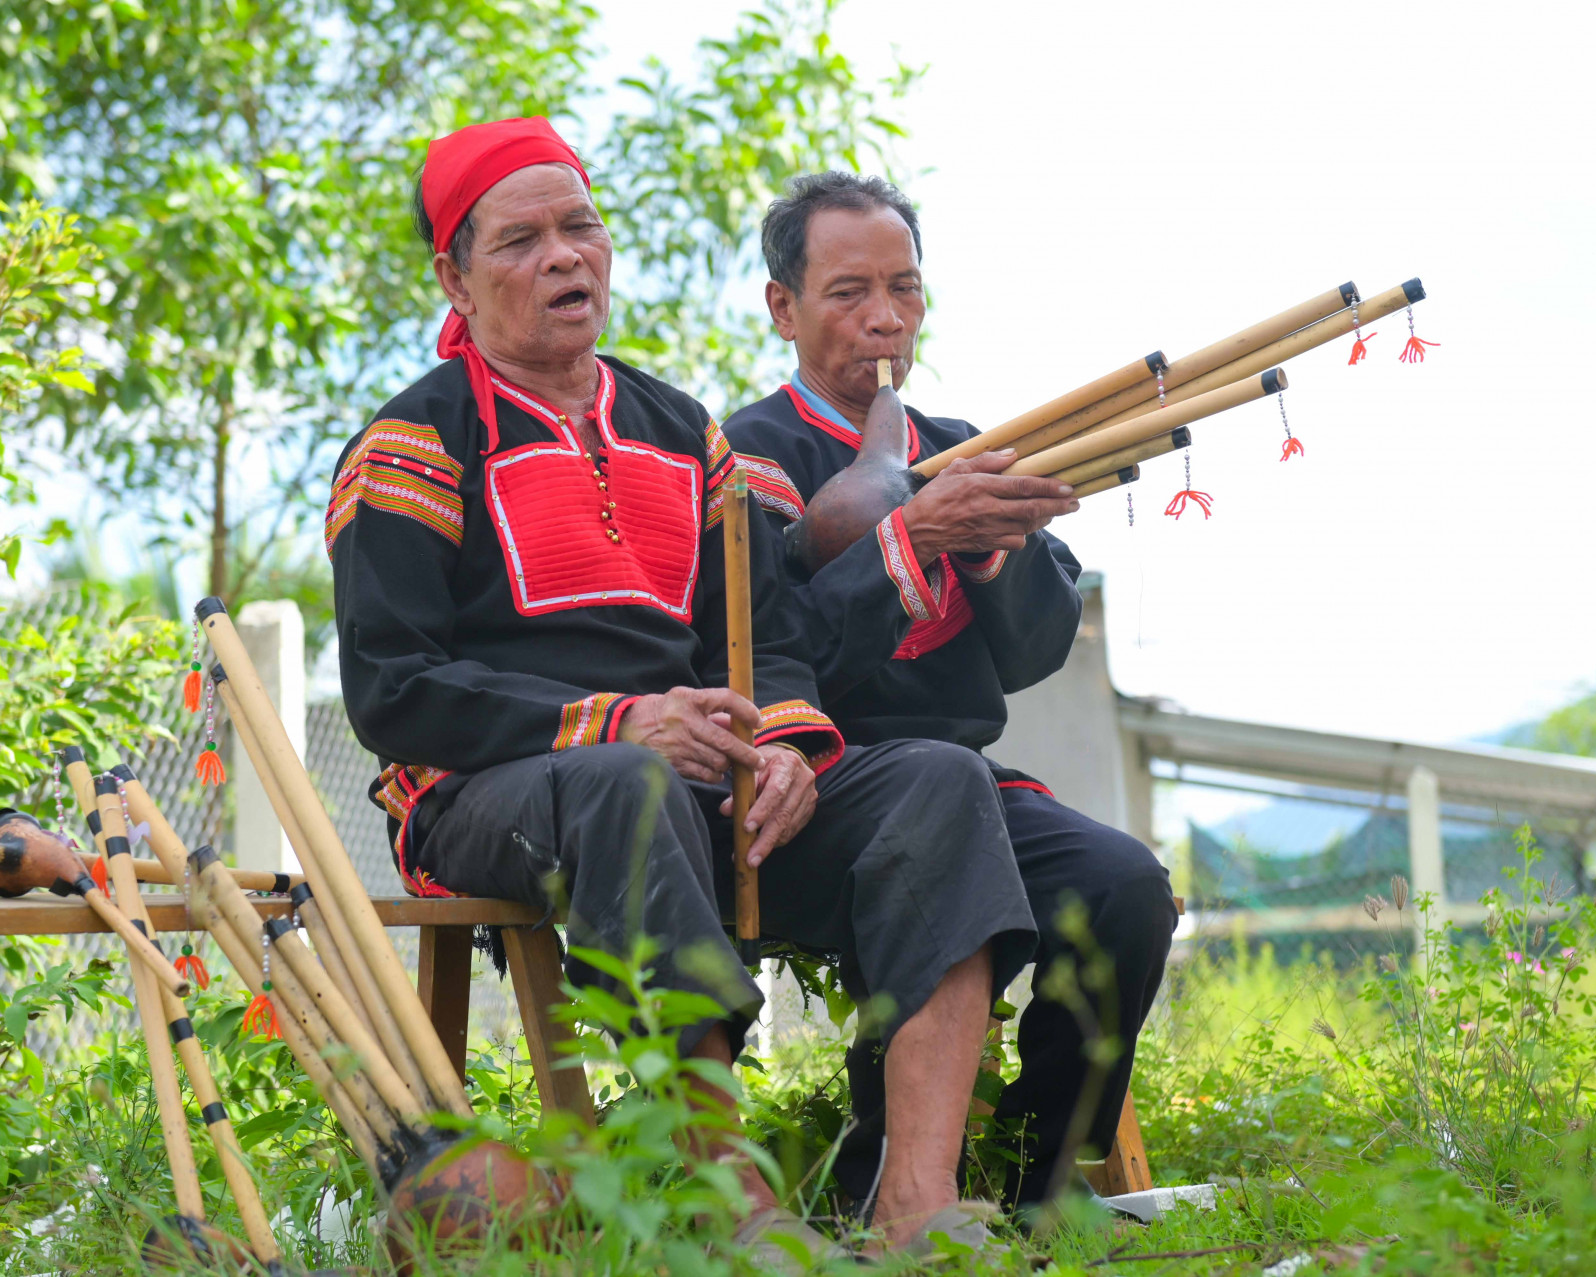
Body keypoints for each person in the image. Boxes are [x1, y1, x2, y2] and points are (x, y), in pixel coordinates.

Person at [331, 118, 1043, 1257]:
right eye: (522, 241)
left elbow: (761, 643)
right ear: (453, 278)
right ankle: (728, 1193)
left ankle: (919, 1197)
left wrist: (787, 750)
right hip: (493, 795)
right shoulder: (415, 442)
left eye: (581, 227)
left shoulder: (682, 433)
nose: (565, 256)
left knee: (939, 782)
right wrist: (620, 721)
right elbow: (393, 689)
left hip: (689, 780)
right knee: (629, 778)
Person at [723, 171, 1179, 1213]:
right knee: (931, 793)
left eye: (905, 288)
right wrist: (910, 538)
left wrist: (989, 554)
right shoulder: (742, 458)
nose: (884, 317)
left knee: (1124, 889)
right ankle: (880, 1165)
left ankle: (1030, 1176)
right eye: (848, 292)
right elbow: (764, 652)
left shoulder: (962, 445)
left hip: (964, 783)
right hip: (818, 788)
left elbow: (1036, 649)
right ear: (782, 307)